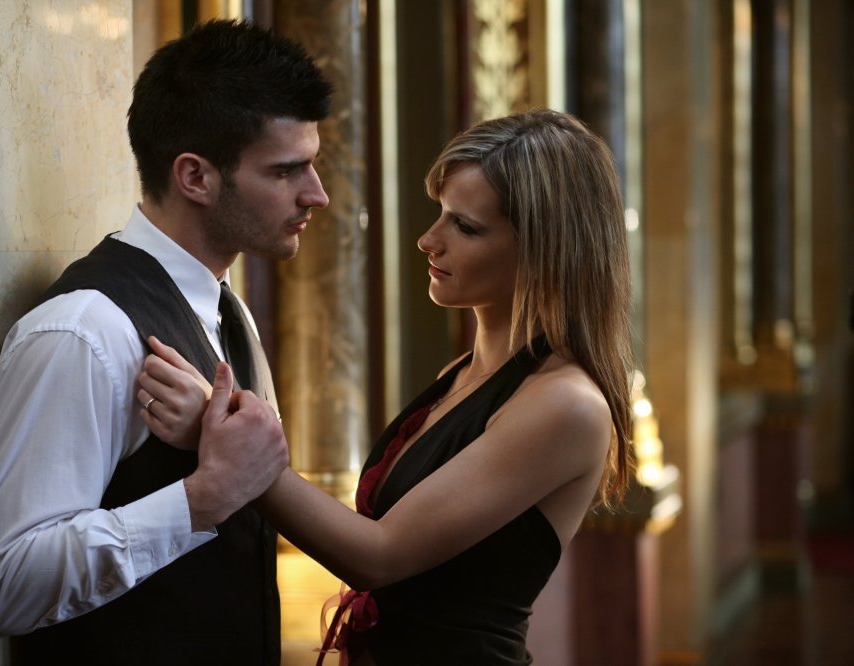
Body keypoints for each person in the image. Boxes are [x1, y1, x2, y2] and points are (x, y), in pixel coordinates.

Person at [143, 109, 634, 664]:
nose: (428, 240)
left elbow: (378, 556)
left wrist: (227, 438)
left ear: (547, 250)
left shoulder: (566, 404)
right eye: (440, 215)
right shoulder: (462, 373)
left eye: (465, 227)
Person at [0, 19, 333, 664]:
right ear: (195, 177)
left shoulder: (232, 312)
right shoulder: (84, 331)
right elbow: (1, 585)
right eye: (285, 171)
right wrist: (200, 499)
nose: (316, 195)